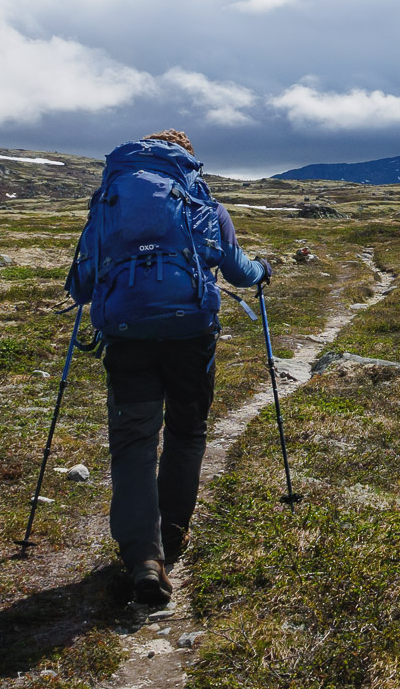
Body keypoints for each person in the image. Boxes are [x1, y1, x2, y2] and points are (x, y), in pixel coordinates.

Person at [66, 129, 272, 605]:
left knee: (134, 439)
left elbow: (80, 286)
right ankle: (174, 537)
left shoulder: (109, 204)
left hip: (127, 335)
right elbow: (239, 270)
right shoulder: (203, 203)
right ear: (187, 162)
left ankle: (144, 558)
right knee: (187, 430)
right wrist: (263, 270)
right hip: (190, 336)